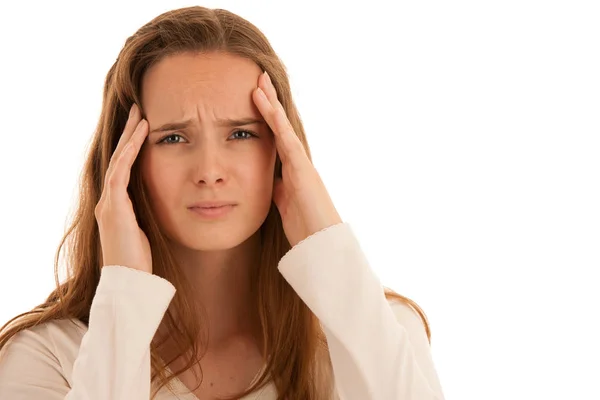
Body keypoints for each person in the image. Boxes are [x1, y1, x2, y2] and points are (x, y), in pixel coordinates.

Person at [0, 6, 444, 400]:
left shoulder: (379, 329)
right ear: (126, 161)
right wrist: (125, 293)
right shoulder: (47, 357)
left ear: (283, 151)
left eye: (241, 133)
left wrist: (329, 249)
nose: (210, 170)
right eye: (173, 137)